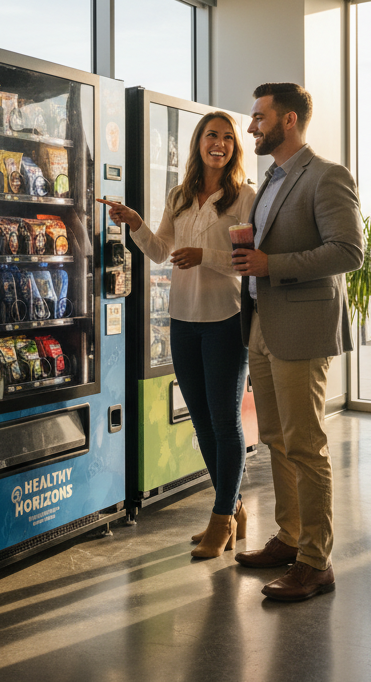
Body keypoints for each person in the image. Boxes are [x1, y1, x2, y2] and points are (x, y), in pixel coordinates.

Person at [99, 111, 256, 559]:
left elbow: (247, 261)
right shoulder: (180, 195)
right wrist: (134, 222)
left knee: (226, 421)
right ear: (198, 142)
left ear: (234, 149)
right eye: (212, 135)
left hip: (226, 319)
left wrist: (205, 254)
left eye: (228, 138)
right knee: (203, 421)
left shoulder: (244, 198)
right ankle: (236, 507)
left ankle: (222, 516)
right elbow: (160, 252)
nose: (219, 144)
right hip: (182, 320)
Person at [230, 82, 363, 602]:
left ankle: (316, 561)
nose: (251, 127)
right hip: (262, 321)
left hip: (302, 327)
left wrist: (271, 266)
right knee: (277, 440)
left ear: (288, 120)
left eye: (259, 117)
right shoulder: (270, 183)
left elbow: (348, 251)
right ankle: (290, 538)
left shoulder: (327, 176)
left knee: (306, 445)